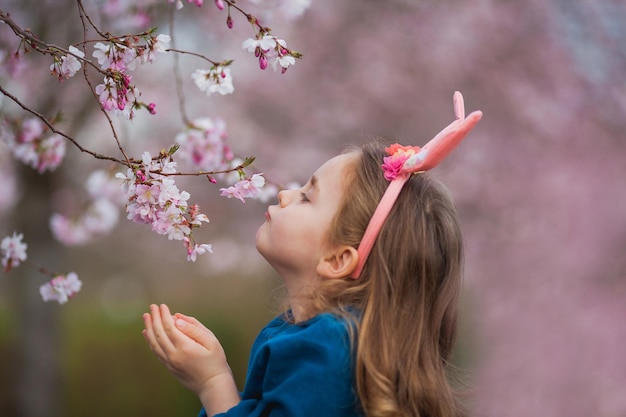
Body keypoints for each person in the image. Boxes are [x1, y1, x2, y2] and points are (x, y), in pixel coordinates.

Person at [142, 91, 483, 417]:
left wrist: (213, 382)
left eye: (307, 197)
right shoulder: (324, 341)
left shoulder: (326, 350)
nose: (286, 194)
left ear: (338, 259)